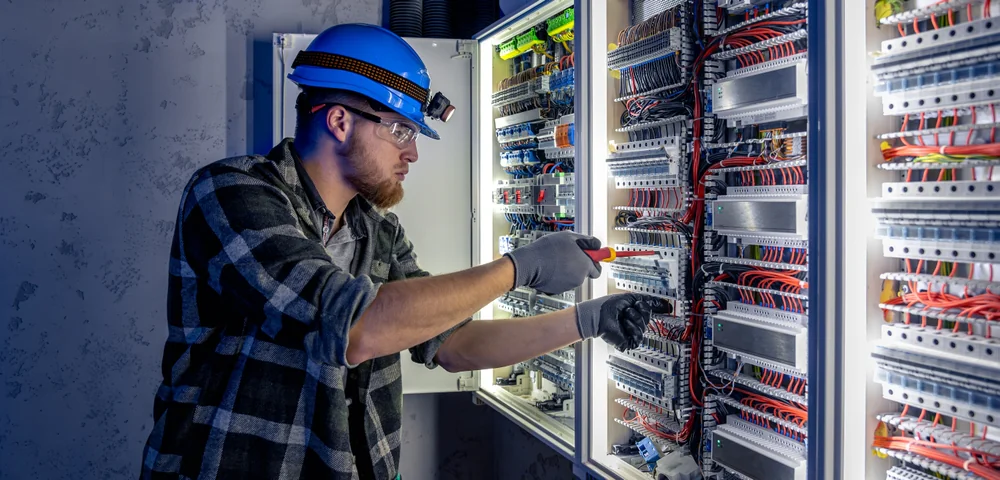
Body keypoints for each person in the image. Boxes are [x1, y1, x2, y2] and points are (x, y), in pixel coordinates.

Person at [140, 23, 670, 480]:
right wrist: (520, 267)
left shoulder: (379, 233)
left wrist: (586, 320)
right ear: (340, 121)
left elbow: (454, 343)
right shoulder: (230, 192)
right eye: (399, 130)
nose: (412, 152)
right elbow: (356, 328)